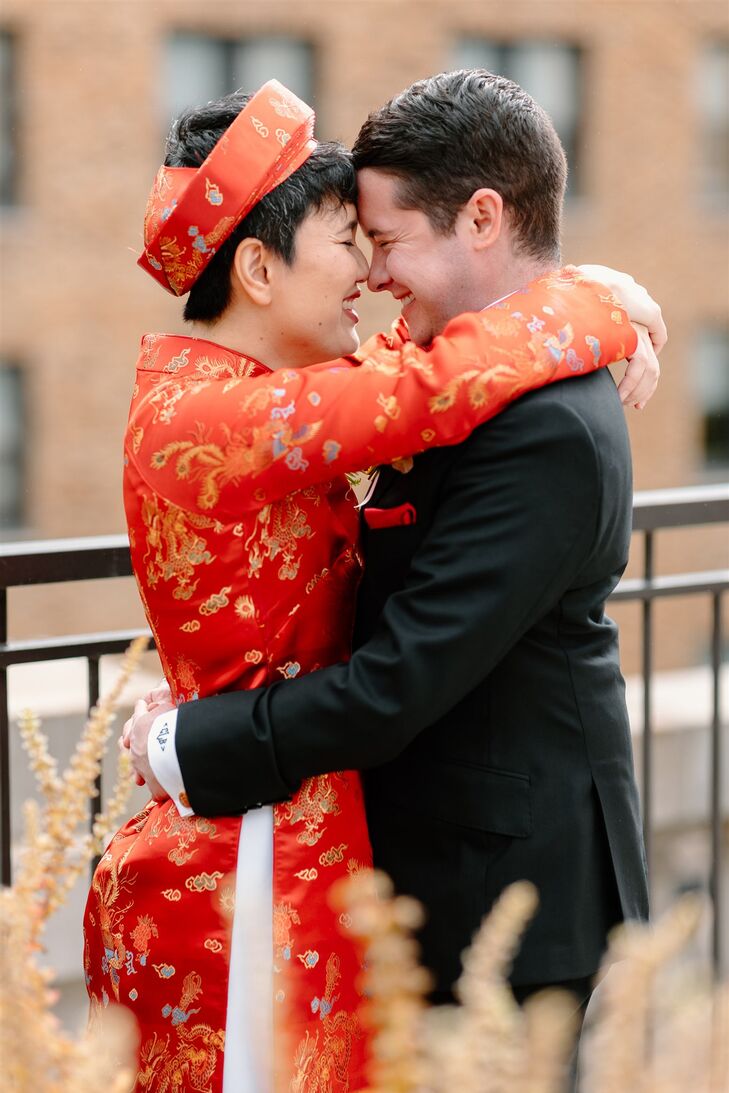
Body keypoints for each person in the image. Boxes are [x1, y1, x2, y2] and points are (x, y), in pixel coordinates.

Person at [127, 70, 662, 1091]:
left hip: (480, 865)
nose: (370, 278)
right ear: (259, 268)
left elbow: (430, 394)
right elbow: (423, 388)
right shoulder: (230, 413)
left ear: (482, 217)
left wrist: (592, 298)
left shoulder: (524, 416)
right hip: (282, 833)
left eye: (382, 242)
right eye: (349, 243)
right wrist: (596, 299)